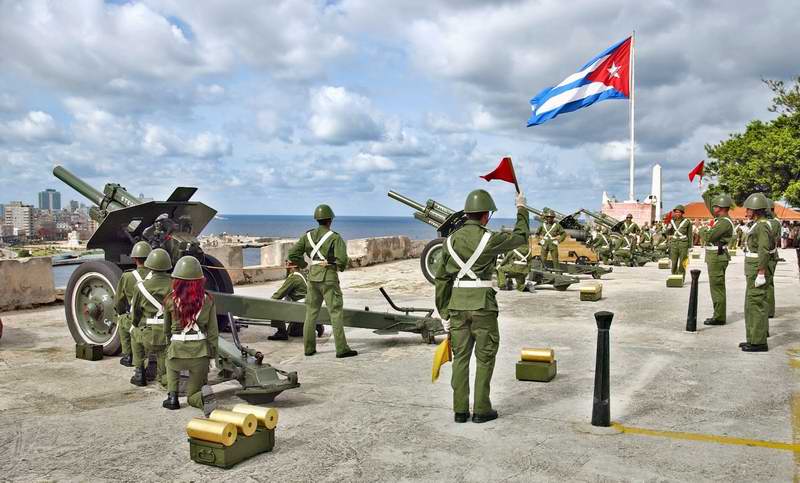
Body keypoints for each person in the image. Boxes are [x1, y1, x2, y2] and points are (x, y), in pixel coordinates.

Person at [435, 189, 529, 424]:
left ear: (467, 213)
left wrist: (444, 312)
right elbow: (521, 237)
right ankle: (481, 410)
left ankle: (460, 411)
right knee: (485, 358)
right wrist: (521, 209)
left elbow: (441, 279)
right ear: (486, 215)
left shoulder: (450, 241)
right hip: (483, 306)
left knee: (460, 359)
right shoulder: (490, 239)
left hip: (457, 306)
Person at [287, 204, 355, 358]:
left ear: (317, 220)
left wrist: (304, 264)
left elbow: (292, 254)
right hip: (328, 277)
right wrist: (337, 266)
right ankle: (341, 349)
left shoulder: (307, 236)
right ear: (330, 220)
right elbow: (342, 260)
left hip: (312, 277)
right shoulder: (335, 237)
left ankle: (309, 348)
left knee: (311, 313)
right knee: (335, 313)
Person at [162, 256, 219, 415]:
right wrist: (212, 356)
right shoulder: (208, 300)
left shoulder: (170, 300)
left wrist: (169, 347)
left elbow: (166, 330)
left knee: (170, 366)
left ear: (176, 280)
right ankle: (200, 398)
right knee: (192, 393)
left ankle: (172, 397)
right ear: (200, 280)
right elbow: (213, 333)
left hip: (177, 351)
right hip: (200, 354)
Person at [130, 248, 173, 386]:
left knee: (134, 332)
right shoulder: (176, 285)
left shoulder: (140, 287)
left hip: (148, 335)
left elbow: (135, 315)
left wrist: (136, 324)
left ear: (149, 266)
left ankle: (139, 372)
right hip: (169, 336)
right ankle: (166, 379)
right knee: (165, 374)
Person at [739, 193, 774, 352]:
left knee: (756, 303)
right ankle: (752, 338)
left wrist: (761, 272)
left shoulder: (762, 226)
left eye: (748, 209)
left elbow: (764, 250)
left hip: (756, 268)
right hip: (752, 267)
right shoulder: (757, 224)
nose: (746, 211)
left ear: (756, 210)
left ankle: (759, 342)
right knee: (750, 304)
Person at [114, 241, 152, 367]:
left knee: (122, 319)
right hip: (156, 319)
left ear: (134, 258)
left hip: (137, 318)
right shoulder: (157, 276)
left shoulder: (127, 276)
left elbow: (119, 301)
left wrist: (121, 313)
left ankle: (128, 355)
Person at [701, 194, 734, 326]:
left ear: (721, 208)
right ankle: (718, 314)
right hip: (715, 256)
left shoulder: (724, 222)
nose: (713, 208)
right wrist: (705, 194)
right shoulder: (720, 219)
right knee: (716, 287)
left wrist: (703, 229)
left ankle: (719, 316)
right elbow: (710, 206)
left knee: (717, 288)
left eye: (715, 206)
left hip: (717, 256)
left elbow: (708, 237)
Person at [268, 263, 324, 340]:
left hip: (301, 308)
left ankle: (281, 332)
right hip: (310, 305)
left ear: (292, 267)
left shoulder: (294, 278)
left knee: (276, 305)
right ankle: (316, 324)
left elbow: (278, 295)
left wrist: (269, 302)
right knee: (293, 332)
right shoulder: (305, 274)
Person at [665, 205, 692, 279]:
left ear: (682, 213)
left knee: (683, 261)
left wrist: (690, 246)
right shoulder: (672, 222)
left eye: (679, 212)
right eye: (676, 212)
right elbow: (667, 233)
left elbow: (690, 234)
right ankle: (674, 276)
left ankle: (681, 277)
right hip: (674, 243)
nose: (677, 213)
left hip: (683, 243)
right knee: (673, 261)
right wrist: (668, 228)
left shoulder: (687, 222)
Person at [765, 200, 781, 319]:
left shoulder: (773, 222)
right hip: (769, 255)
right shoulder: (772, 221)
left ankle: (769, 310)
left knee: (768, 283)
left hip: (769, 256)